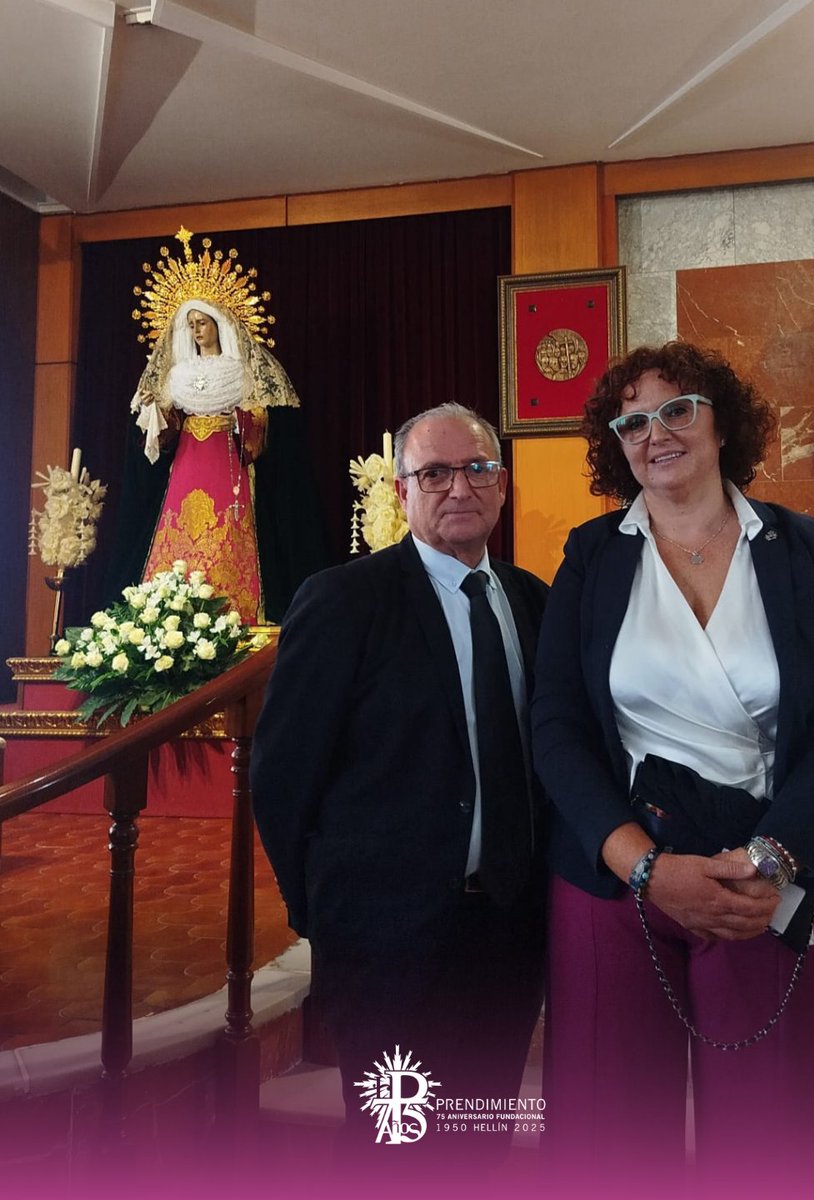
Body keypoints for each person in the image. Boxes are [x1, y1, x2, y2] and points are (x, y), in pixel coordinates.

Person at [531, 342, 814, 1193]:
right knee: (611, 1135)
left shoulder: (803, 551)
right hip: (619, 870)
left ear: (723, 423)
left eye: (678, 409)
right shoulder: (591, 556)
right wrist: (639, 864)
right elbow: (557, 726)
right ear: (616, 444)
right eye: (634, 421)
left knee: (776, 1135)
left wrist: (769, 859)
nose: (657, 433)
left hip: (770, 866)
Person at [251, 403, 548, 1171]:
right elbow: (283, 777)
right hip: (386, 941)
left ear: (503, 484)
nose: (459, 488)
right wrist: (328, 913)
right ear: (403, 489)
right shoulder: (344, 600)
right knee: (397, 1148)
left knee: (479, 1141)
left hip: (509, 933)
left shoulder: (532, 602)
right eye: (435, 473)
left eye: (477, 469)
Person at [132, 298, 301, 623]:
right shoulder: (179, 375)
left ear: (218, 325)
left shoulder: (239, 371)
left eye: (203, 322)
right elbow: (167, 429)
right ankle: (170, 614)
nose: (196, 330)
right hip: (188, 459)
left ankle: (232, 606)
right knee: (179, 523)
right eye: (191, 323)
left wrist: (238, 421)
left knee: (226, 527)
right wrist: (153, 411)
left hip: (225, 458)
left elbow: (261, 419)